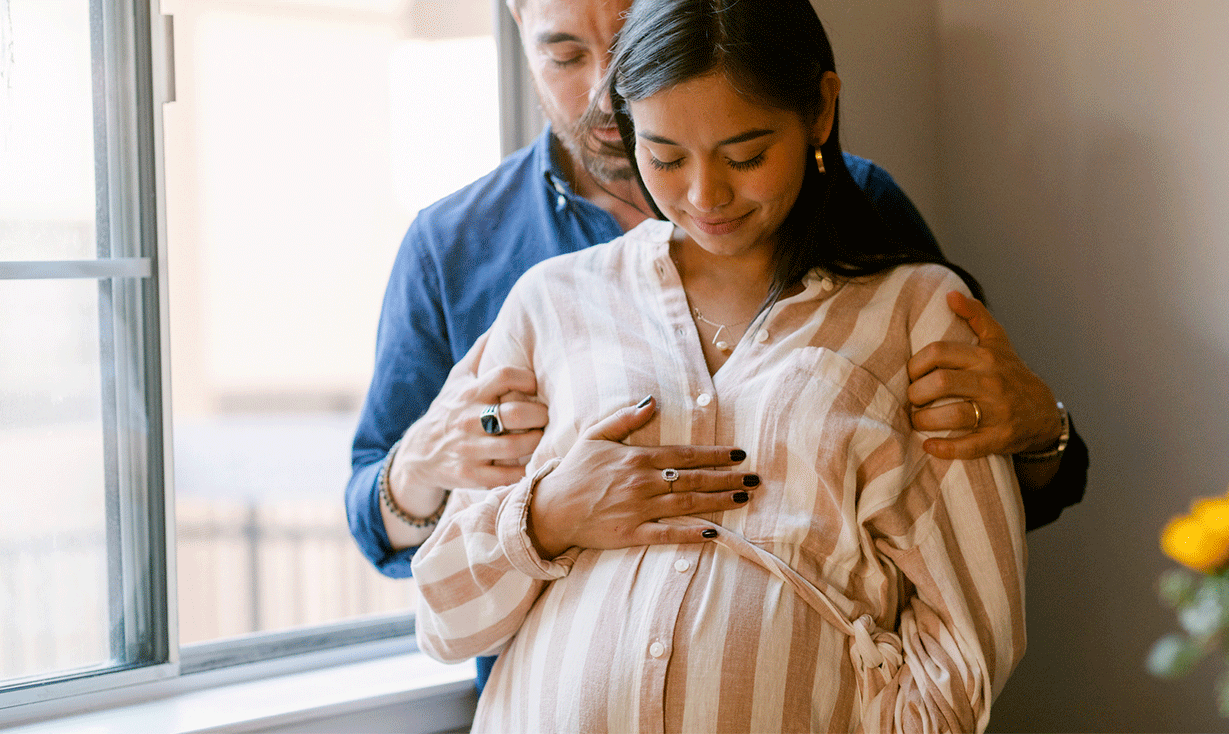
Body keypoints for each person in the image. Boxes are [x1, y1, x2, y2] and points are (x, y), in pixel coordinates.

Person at [347, 0, 1085, 693]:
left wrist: (1043, 434)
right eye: (566, 54)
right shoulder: (458, 249)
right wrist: (421, 468)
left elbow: (971, 509)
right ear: (519, 28)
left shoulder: (856, 210)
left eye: (631, 35)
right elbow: (382, 528)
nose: (605, 91)